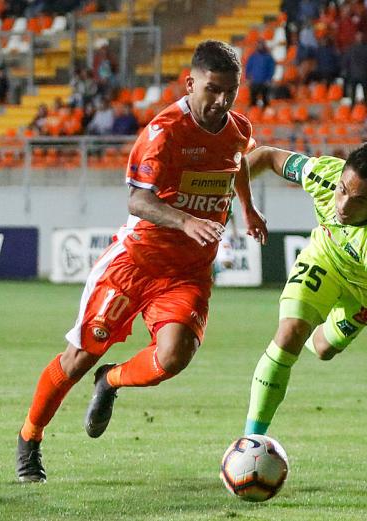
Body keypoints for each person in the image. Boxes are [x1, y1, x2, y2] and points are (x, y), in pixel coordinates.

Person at [14, 40, 268, 483]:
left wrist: (248, 209)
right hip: (134, 264)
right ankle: (29, 439)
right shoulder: (163, 132)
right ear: (190, 84)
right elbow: (137, 200)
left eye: (230, 91)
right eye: (212, 89)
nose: (222, 100)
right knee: (77, 359)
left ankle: (110, 381)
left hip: (187, 272)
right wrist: (186, 220)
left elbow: (238, 162)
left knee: (174, 356)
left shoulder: (237, 128)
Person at [241, 143, 367, 436]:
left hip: (364, 293)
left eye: (358, 200)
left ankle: (315, 327)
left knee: (323, 349)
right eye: (342, 190)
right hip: (325, 258)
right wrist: (229, 196)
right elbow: (266, 156)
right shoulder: (323, 173)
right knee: (290, 334)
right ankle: (251, 440)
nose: (343, 206)